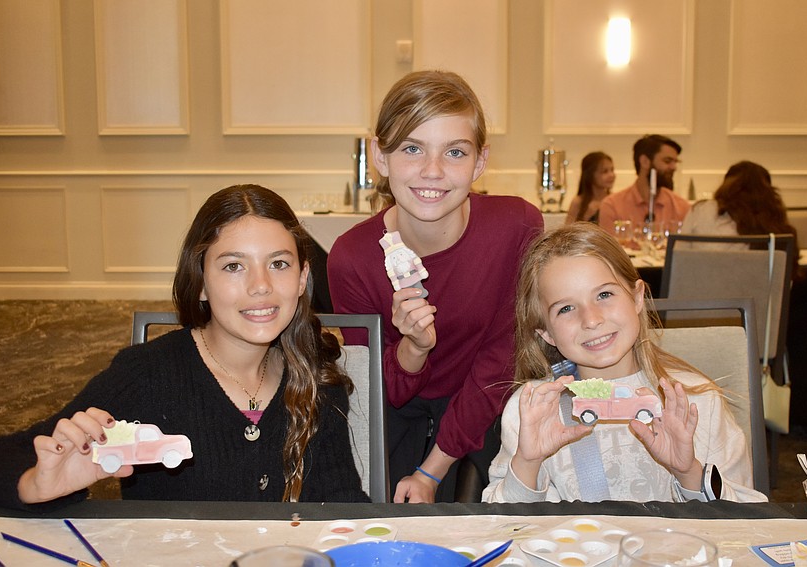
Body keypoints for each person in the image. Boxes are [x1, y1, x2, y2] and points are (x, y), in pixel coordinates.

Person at [0, 184, 369, 510]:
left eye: (279, 263)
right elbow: (8, 455)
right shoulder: (146, 374)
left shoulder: (316, 375)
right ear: (201, 282)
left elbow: (341, 503)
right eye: (233, 266)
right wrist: (35, 484)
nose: (261, 285)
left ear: (303, 278)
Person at [327, 70, 544, 503]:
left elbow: (500, 360)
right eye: (412, 148)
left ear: (480, 162)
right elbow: (379, 391)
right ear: (380, 158)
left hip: (485, 402)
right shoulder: (352, 257)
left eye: (455, 152)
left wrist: (432, 471)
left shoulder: (516, 227)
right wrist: (414, 347)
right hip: (395, 407)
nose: (432, 171)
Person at [482, 223, 766, 503]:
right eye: (566, 308)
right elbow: (502, 527)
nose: (591, 319)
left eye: (604, 295)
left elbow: (748, 521)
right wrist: (528, 464)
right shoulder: (533, 410)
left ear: (637, 297)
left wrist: (688, 471)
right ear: (546, 332)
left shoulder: (696, 401)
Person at [683, 161, 799, 268]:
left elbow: (678, 257)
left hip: (702, 287)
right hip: (758, 289)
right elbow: (786, 279)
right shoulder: (776, 226)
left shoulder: (700, 210)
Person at [598, 135, 690, 232]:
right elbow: (608, 247)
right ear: (645, 161)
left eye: (675, 162)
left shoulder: (682, 208)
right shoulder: (612, 206)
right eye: (667, 161)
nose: (674, 167)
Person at [565, 152, 615, 225]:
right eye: (605, 171)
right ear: (590, 174)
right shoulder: (578, 202)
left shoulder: (614, 201)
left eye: (612, 170)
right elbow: (567, 230)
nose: (611, 175)